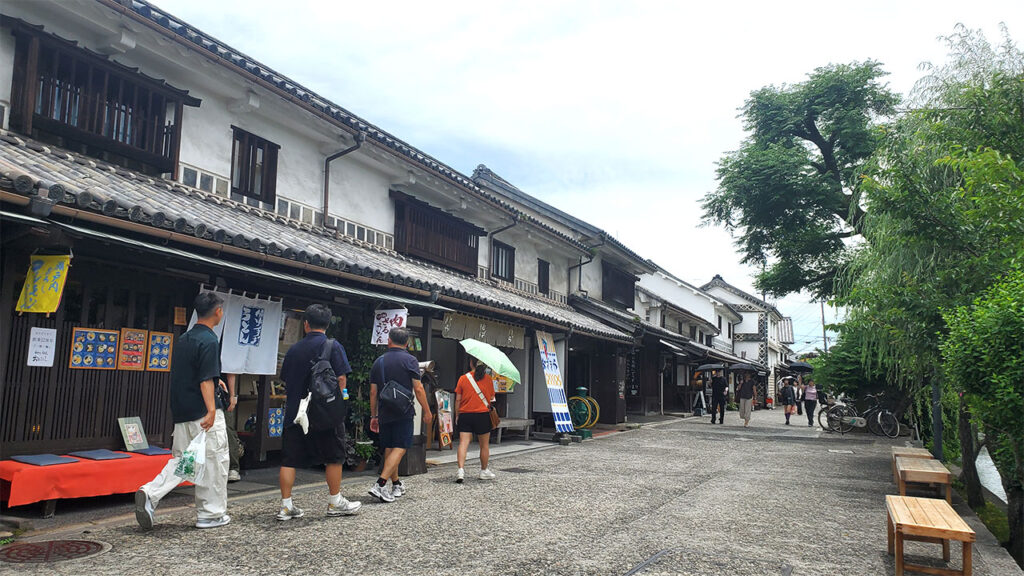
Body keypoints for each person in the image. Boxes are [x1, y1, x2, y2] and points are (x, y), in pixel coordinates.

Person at [135, 292, 230, 530]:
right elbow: (205, 379)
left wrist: (214, 381)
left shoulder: (185, 339)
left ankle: (151, 492)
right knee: (214, 463)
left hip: (182, 412)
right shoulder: (209, 340)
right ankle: (211, 513)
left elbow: (194, 374)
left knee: (187, 462)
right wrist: (210, 409)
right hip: (203, 413)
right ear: (218, 312)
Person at [276, 304, 361, 520]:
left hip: (296, 411)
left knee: (289, 459)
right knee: (333, 457)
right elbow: (341, 378)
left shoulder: (293, 350)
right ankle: (334, 502)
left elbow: (286, 379)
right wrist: (341, 400)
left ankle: (286, 506)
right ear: (328, 323)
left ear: (306, 324)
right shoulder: (333, 346)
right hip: (325, 412)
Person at [368, 327, 432, 503]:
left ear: (389, 341)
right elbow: (418, 388)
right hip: (403, 410)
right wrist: (427, 411)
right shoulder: (410, 360)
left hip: (384, 411)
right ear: (406, 343)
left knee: (390, 447)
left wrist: (373, 416)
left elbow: (373, 392)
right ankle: (380, 484)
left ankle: (396, 484)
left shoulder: (378, 362)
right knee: (401, 446)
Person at [454, 358, 496, 483]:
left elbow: (458, 399)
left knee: (463, 443)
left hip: (465, 414)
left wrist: (457, 415)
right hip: (482, 415)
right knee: (484, 445)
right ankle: (483, 471)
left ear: (471, 363)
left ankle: (461, 470)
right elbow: (492, 397)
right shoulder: (488, 379)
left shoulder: (463, 378)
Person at [223, 373, 242, 482]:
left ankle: (233, 467)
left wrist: (232, 395)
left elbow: (231, 371)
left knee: (227, 428)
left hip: (222, 392)